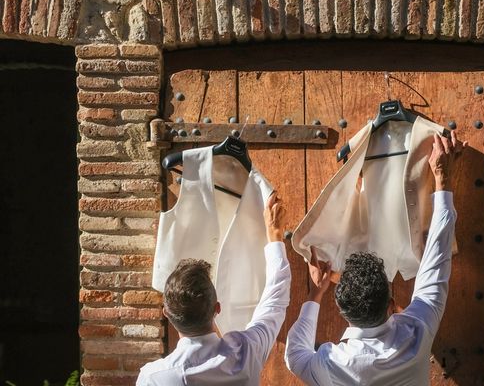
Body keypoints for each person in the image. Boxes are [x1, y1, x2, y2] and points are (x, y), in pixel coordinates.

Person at [285, 132, 465, 385]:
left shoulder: (331, 362)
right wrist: (441, 178)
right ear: (391, 305)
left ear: (344, 314)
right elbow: (437, 258)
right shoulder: (416, 333)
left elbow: (294, 356)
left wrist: (316, 293)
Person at [137, 194, 290, 385]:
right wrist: (275, 235)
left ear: (166, 314)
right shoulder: (245, 351)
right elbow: (275, 303)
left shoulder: (154, 378)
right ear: (217, 308)